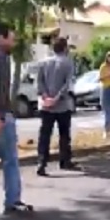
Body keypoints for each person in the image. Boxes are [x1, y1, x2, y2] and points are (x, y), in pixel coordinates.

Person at [0, 23, 33, 215]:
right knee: (10, 161)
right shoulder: (1, 58)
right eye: (11, 37)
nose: (13, 41)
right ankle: (12, 201)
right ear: (0, 38)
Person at [35, 37, 78, 176]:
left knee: (44, 134)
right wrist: (57, 98)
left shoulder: (44, 62)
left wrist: (45, 96)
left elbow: (39, 82)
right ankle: (65, 160)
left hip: (46, 105)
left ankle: (41, 162)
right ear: (65, 48)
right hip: (62, 104)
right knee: (64, 133)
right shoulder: (67, 63)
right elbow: (68, 83)